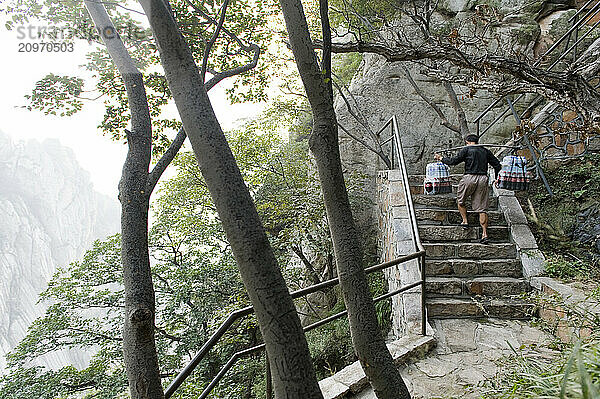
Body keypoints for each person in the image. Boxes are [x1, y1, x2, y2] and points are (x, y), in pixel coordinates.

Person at [434, 134, 501, 245]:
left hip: (469, 177)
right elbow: (497, 165)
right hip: (483, 179)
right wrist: (497, 178)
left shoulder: (466, 150)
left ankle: (465, 221)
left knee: (460, 200)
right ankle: (485, 234)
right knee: (482, 208)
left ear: (467, 141)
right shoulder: (485, 151)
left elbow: (453, 161)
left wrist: (441, 158)